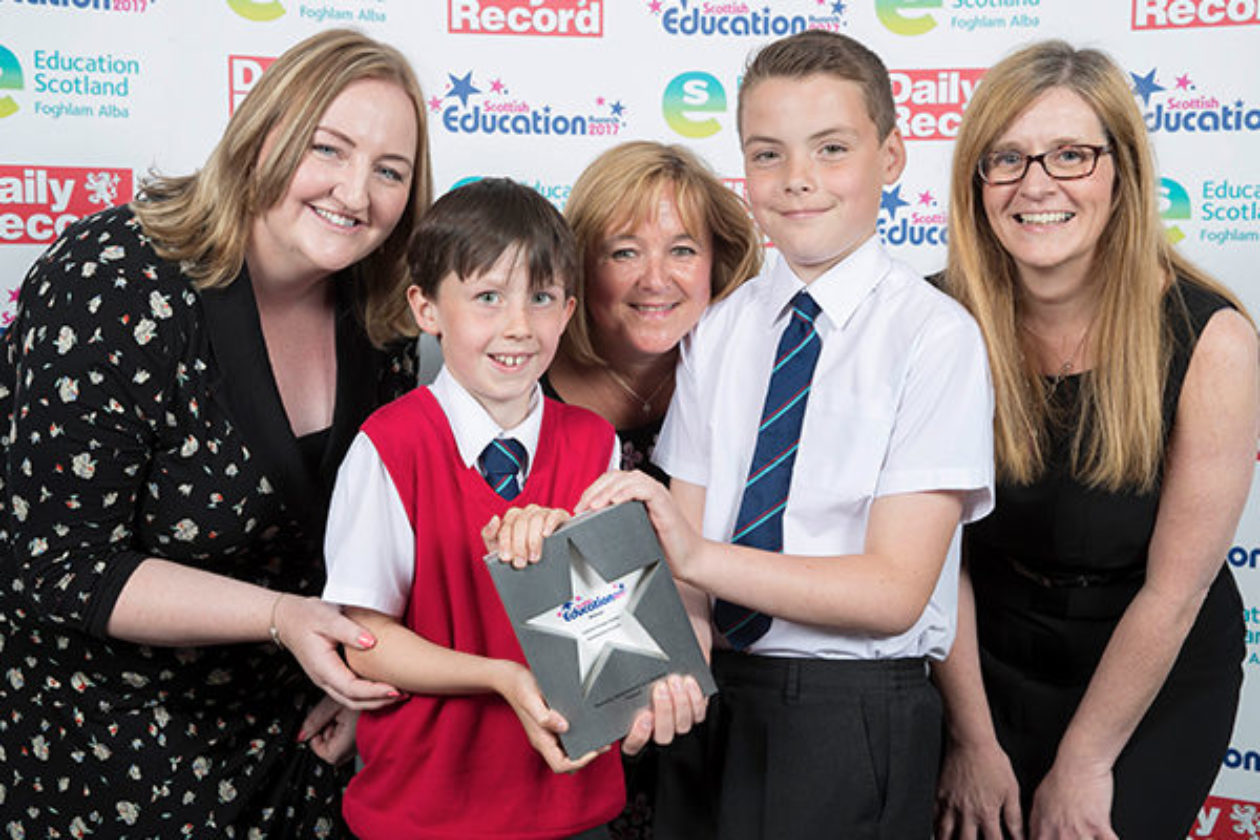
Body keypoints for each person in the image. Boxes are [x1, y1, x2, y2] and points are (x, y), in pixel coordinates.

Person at [0, 29, 431, 837]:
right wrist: (282, 616)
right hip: (105, 757)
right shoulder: (115, 279)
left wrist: (356, 672)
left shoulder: (382, 318)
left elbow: (375, 539)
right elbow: (57, 564)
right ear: (264, 137)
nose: (356, 192)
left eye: (390, 171)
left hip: (297, 752)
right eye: (328, 149)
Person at [575, 29, 995, 838]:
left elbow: (893, 592)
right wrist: (669, 667)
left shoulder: (935, 338)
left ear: (892, 157)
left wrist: (696, 559)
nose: (798, 179)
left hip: (851, 714)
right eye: (768, 155)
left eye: (831, 149)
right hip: (714, 698)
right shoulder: (719, 332)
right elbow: (688, 548)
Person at [932, 40, 1259, 840]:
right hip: (979, 655)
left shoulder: (1211, 340)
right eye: (1006, 159)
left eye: (1071, 155)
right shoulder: (933, 324)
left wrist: (1084, 763)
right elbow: (937, 561)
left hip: (1151, 661)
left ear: (1123, 172)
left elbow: (1174, 592)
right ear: (976, 181)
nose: (1036, 185)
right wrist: (973, 740)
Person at [322, 177, 704, 840]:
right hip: (423, 815)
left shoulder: (593, 442)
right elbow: (365, 643)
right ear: (426, 308)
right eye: (488, 297)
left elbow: (616, 626)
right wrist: (500, 678)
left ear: (568, 310)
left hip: (572, 811)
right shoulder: (390, 446)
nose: (519, 326)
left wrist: (574, 556)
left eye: (542, 297)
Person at [545, 139, 762, 839]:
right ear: (580, 265)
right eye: (624, 251)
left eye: (682, 250)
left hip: (722, 717)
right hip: (563, 722)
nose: (655, 279)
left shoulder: (750, 381)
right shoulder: (520, 378)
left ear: (717, 263)